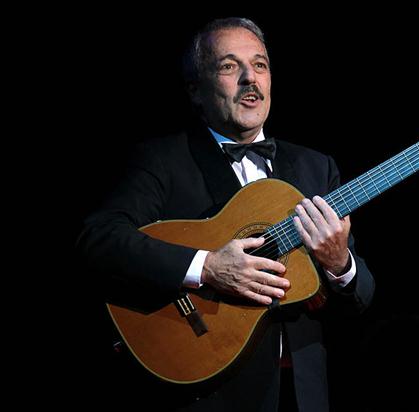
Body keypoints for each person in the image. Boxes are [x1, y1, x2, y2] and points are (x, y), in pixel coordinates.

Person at [77, 17, 375, 412]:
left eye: (260, 65)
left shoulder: (316, 167)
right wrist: (208, 267)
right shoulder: (162, 159)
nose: (250, 78)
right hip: (211, 393)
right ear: (196, 90)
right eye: (229, 66)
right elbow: (99, 239)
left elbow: (361, 299)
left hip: (303, 394)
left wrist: (339, 263)